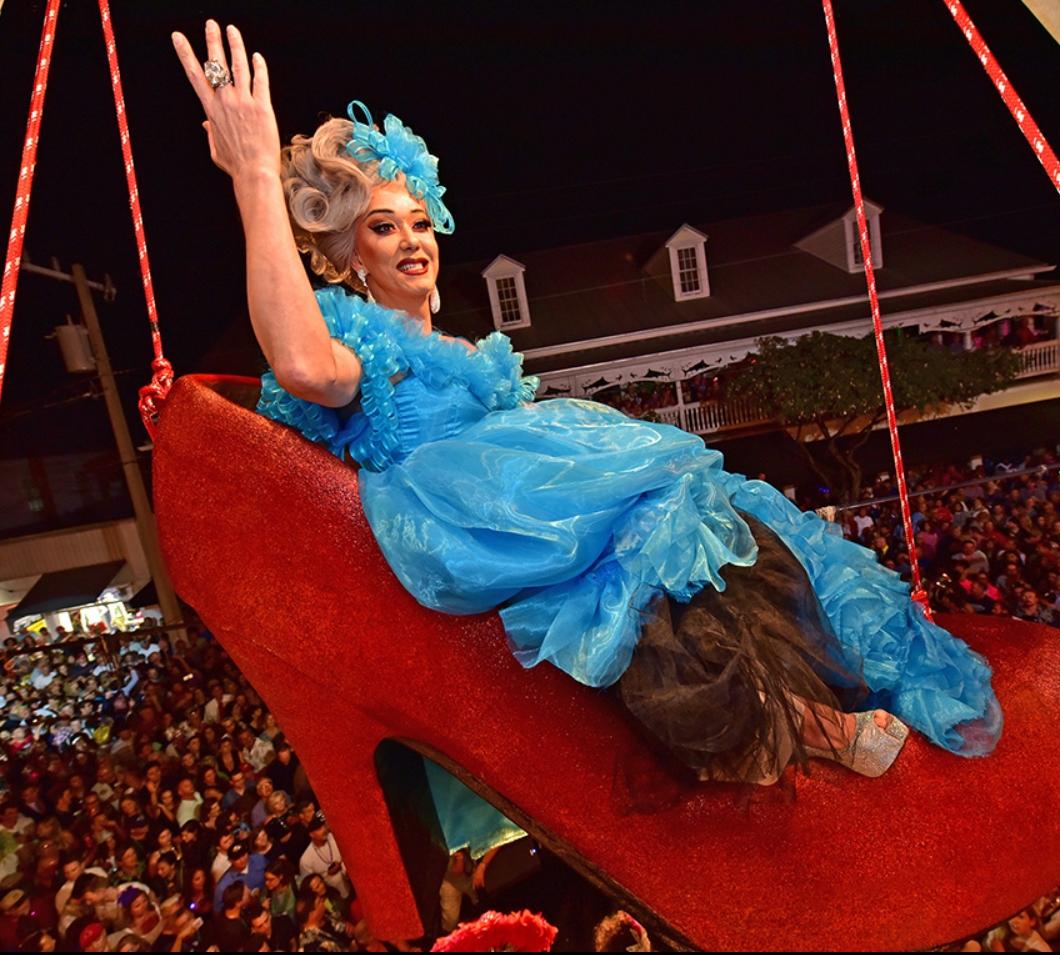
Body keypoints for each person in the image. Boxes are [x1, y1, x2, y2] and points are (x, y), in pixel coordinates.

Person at [169, 23, 1001, 813]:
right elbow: (303, 365)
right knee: (639, 566)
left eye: (420, 222)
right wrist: (252, 181)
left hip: (536, 496)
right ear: (353, 256)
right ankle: (796, 730)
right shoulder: (360, 347)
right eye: (384, 229)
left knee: (710, 525)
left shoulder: (468, 351)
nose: (412, 241)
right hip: (477, 521)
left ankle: (816, 698)